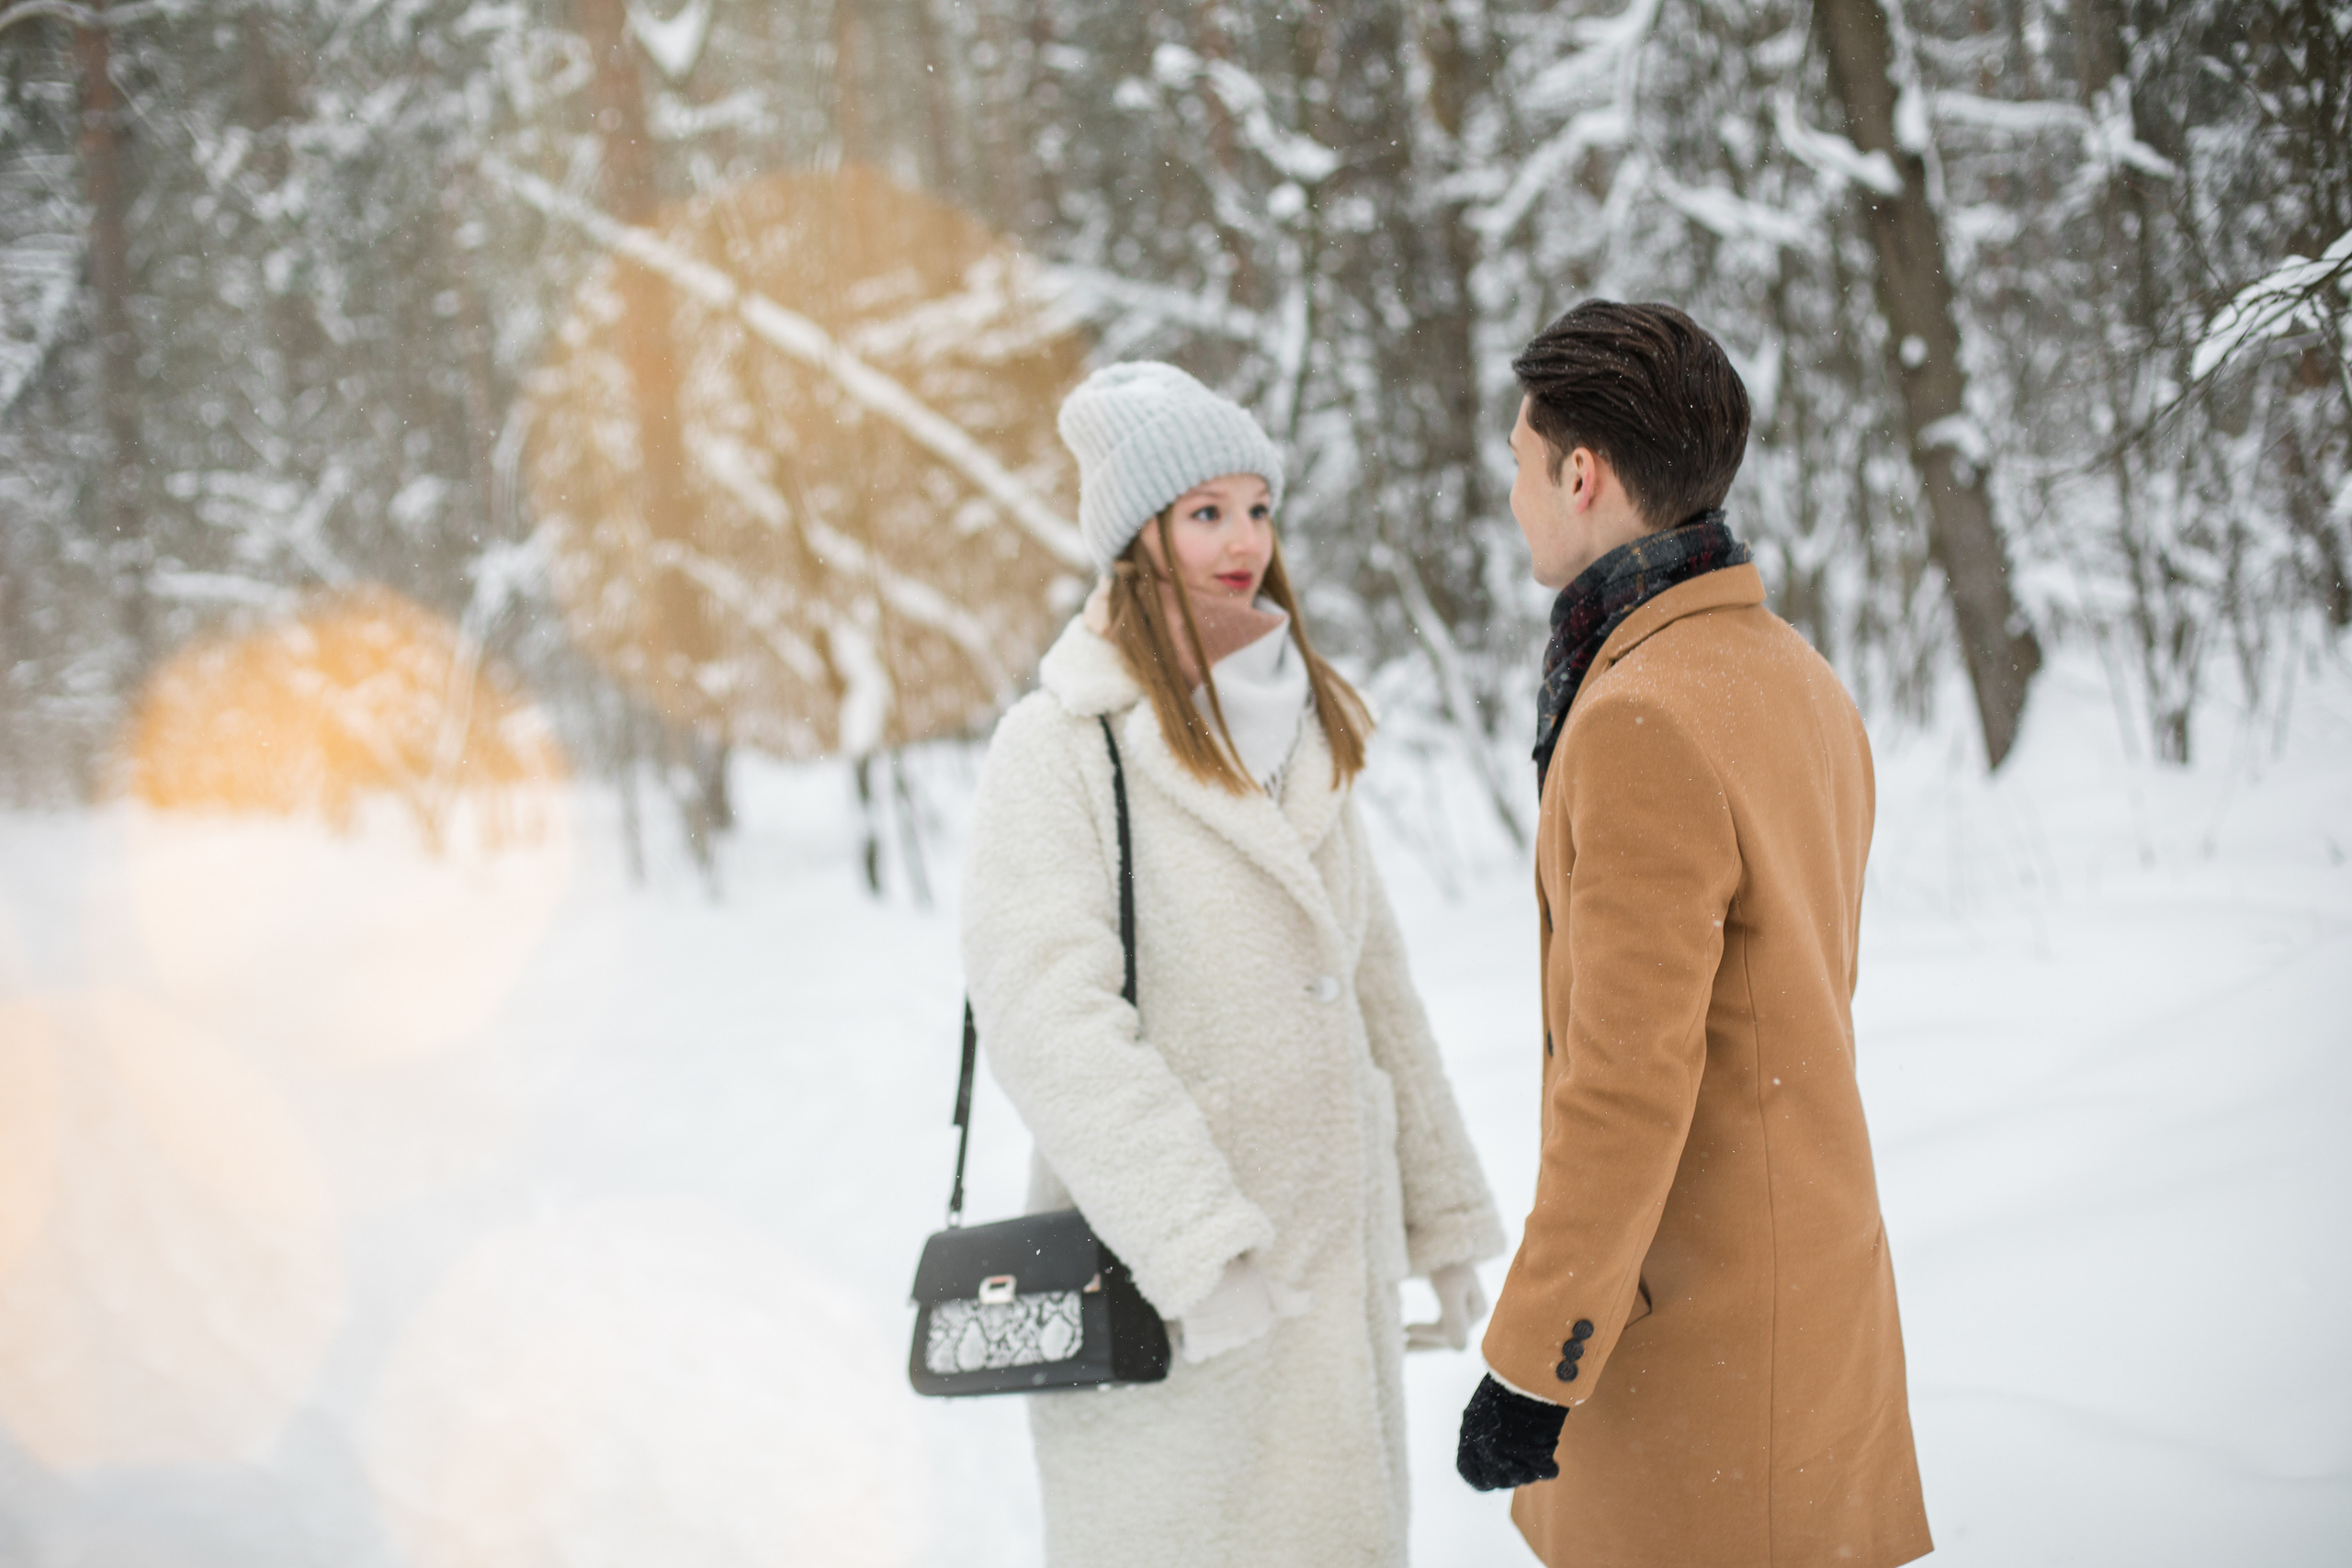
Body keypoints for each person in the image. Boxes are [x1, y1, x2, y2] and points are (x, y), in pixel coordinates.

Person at [962, 361, 1505, 1566]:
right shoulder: (1058, 748)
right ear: (1137, 537)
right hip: (1170, 1293)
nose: (1244, 540)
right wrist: (1194, 1250)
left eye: (1256, 508)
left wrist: (1441, 1213)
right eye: (1206, 512)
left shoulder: (1304, 721)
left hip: (1330, 1270)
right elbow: (1045, 1016)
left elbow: (1375, 984)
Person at [1453, 302, 1934, 1568]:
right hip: (1814, 1292)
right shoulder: (1794, 675)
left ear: (1580, 474)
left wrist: (1532, 1361)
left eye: (1518, 462)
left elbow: (1626, 1082)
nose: (1511, 498)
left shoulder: (1637, 719)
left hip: (1694, 1333)